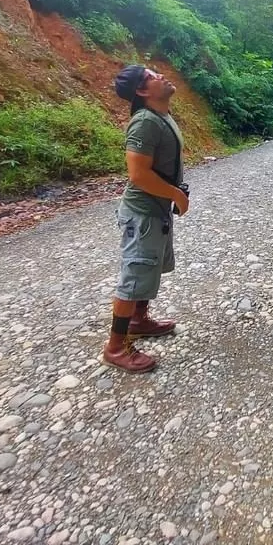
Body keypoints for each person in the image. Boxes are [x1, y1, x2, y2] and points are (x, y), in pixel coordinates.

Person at [102, 64, 191, 374]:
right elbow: (138, 174)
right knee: (134, 276)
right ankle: (115, 347)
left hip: (156, 211)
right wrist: (177, 195)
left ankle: (139, 321)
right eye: (152, 76)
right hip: (142, 213)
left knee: (150, 268)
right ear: (142, 91)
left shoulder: (161, 116)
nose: (161, 75)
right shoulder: (144, 123)